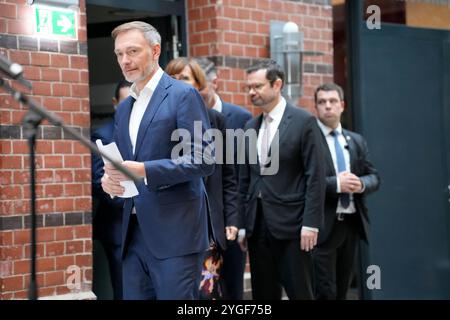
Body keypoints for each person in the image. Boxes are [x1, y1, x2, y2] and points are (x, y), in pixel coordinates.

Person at [101, 21, 214, 300]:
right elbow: (126, 163)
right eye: (119, 54)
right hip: (133, 235)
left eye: (132, 51)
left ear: (154, 50)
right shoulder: (125, 107)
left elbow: (204, 159)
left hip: (176, 236)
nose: (125, 61)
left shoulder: (182, 94)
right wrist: (111, 180)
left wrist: (145, 171)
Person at [238, 60, 326, 300]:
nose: (251, 92)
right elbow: (244, 180)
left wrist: (311, 223)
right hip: (258, 228)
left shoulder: (303, 122)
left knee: (300, 293)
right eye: (248, 87)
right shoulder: (249, 127)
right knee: (263, 295)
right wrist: (243, 224)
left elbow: (315, 177)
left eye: (257, 86)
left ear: (277, 84)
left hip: (294, 227)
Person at [165, 57, 239, 299]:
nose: (178, 84)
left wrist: (232, 218)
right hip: (171, 225)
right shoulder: (156, 122)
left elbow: (228, 176)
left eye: (184, 78)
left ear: (198, 85)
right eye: (172, 79)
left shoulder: (217, 121)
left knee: (208, 293)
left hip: (207, 225)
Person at [312, 83, 380, 300]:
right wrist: (335, 184)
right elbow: (303, 181)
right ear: (316, 107)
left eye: (332, 102)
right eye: (322, 102)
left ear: (343, 105)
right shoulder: (309, 139)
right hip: (322, 226)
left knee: (342, 289)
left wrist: (360, 184)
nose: (327, 107)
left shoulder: (355, 140)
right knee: (325, 291)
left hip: (350, 223)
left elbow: (374, 177)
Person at [195, 57, 252, 300]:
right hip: (200, 226)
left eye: (200, 87)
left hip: (231, 220)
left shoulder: (240, 117)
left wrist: (240, 221)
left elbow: (244, 173)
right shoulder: (183, 118)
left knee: (232, 289)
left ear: (214, 83)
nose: (195, 94)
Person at [91, 80, 131, 300]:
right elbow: (98, 181)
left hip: (149, 227)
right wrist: (132, 202)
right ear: (115, 104)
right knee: (124, 290)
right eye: (125, 102)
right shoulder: (103, 135)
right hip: (118, 226)